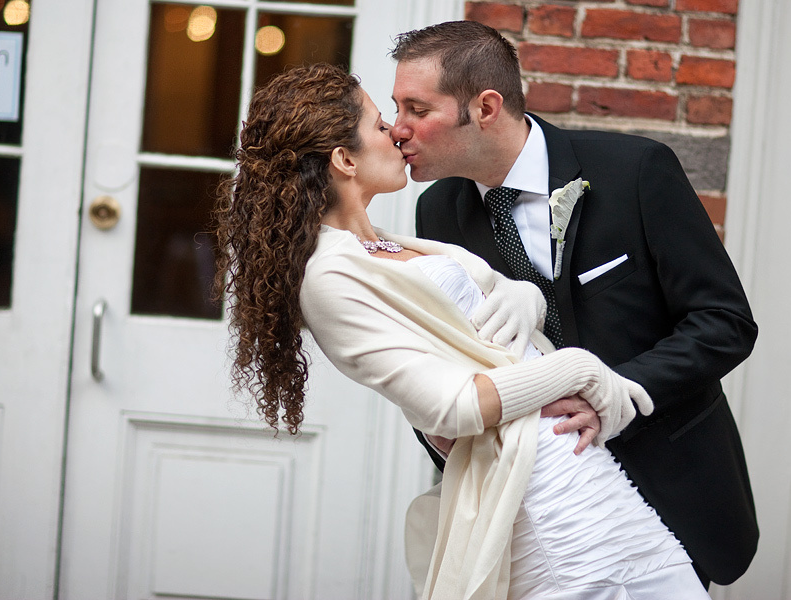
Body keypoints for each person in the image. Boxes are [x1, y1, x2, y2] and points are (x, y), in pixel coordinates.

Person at [214, 63, 711, 598]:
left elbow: (488, 313)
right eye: (382, 124)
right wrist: (581, 368)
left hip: (585, 470)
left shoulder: (385, 241)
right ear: (343, 159)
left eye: (409, 114)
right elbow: (452, 407)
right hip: (538, 494)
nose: (398, 132)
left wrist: (527, 298)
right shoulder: (329, 275)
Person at [389, 20, 758, 588]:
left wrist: (618, 393)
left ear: (485, 107)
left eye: (416, 109)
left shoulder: (635, 171)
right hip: (540, 514)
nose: (397, 130)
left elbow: (724, 322)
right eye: (395, 109)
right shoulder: (439, 212)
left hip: (666, 484)